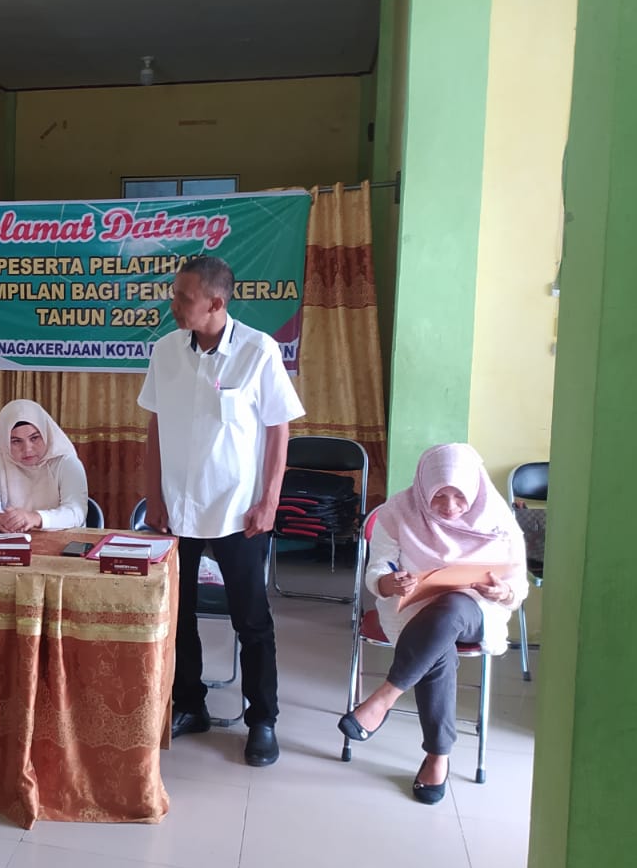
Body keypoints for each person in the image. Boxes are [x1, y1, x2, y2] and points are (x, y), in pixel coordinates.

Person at [139, 254, 304, 768]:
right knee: (178, 612)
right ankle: (191, 703)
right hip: (177, 509)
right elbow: (155, 425)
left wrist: (270, 501)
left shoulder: (258, 350)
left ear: (215, 302)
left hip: (238, 511)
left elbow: (278, 430)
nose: (173, 305)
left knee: (250, 619)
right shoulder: (166, 351)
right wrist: (155, 496)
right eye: (174, 294)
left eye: (183, 297)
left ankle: (263, 720)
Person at [338, 443, 528, 804]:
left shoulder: (498, 518)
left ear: (474, 489)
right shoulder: (398, 512)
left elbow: (517, 588)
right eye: (439, 495)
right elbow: (378, 568)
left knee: (451, 607)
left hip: (478, 610)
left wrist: (502, 591)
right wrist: (389, 582)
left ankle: (385, 697)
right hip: (413, 608)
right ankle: (438, 756)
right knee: (437, 645)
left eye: (460, 496)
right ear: (424, 487)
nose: (450, 506)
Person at [0, 399, 88, 532]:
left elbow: (76, 513)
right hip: (14, 539)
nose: (27, 449)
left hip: (63, 539)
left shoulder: (67, 463)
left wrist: (35, 518)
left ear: (46, 434)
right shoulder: (0, 464)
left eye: (34, 438)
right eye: (16, 441)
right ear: (5, 442)